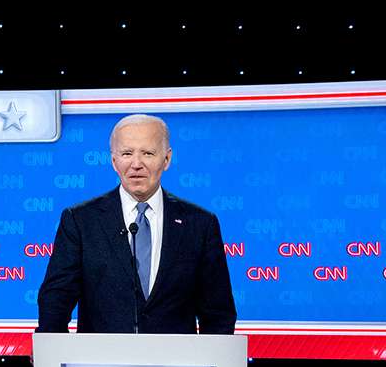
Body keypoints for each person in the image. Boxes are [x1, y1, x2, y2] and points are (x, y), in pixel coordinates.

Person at [35, 113, 236, 334]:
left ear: (166, 159)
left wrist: (213, 363)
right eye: (127, 153)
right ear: (114, 161)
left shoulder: (200, 224)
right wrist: (53, 353)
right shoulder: (81, 220)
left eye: (148, 153)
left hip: (178, 365)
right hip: (100, 363)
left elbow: (218, 313)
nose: (136, 164)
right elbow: (56, 300)